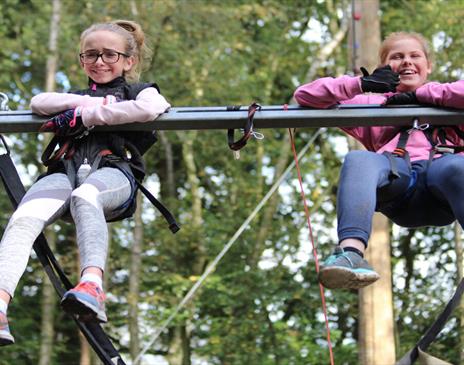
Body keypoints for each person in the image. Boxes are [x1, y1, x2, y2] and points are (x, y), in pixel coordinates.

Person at [0, 20, 170, 345]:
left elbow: (151, 108)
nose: (99, 62)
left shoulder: (139, 91)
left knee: (85, 195)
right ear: (81, 60)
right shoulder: (74, 95)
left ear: (128, 61)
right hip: (65, 172)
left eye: (110, 55)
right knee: (23, 219)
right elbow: (40, 102)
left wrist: (88, 116)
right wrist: (93, 104)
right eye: (91, 55)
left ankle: (92, 283)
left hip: (112, 173)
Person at [294, 32, 464, 290]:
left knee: (455, 166)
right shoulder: (372, 104)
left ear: (428, 66)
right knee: (359, 159)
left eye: (414, 56)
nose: (406, 61)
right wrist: (362, 84)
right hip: (399, 181)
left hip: (445, 181)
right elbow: (305, 96)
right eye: (397, 57)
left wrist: (424, 95)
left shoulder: (448, 98)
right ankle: (350, 253)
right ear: (386, 66)